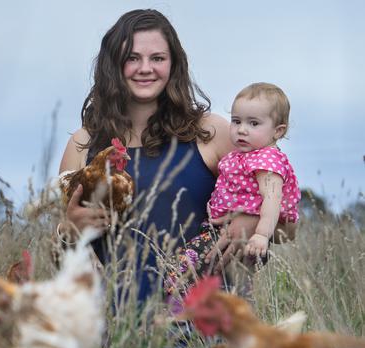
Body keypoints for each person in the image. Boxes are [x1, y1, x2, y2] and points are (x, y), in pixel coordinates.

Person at [57, 9, 295, 301]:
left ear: (174, 64)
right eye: (132, 58)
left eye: (157, 58)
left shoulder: (211, 132)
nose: (145, 68)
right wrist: (68, 231)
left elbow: (289, 227)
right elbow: (61, 254)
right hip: (115, 325)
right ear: (113, 66)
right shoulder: (84, 143)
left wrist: (250, 222)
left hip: (203, 319)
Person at [165, 82, 301, 298]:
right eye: (236, 121)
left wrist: (261, 236)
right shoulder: (243, 156)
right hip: (224, 232)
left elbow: (272, 199)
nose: (242, 129)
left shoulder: (267, 160)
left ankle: (175, 312)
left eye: (254, 123)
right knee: (224, 282)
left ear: (278, 131)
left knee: (181, 269)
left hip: (248, 237)